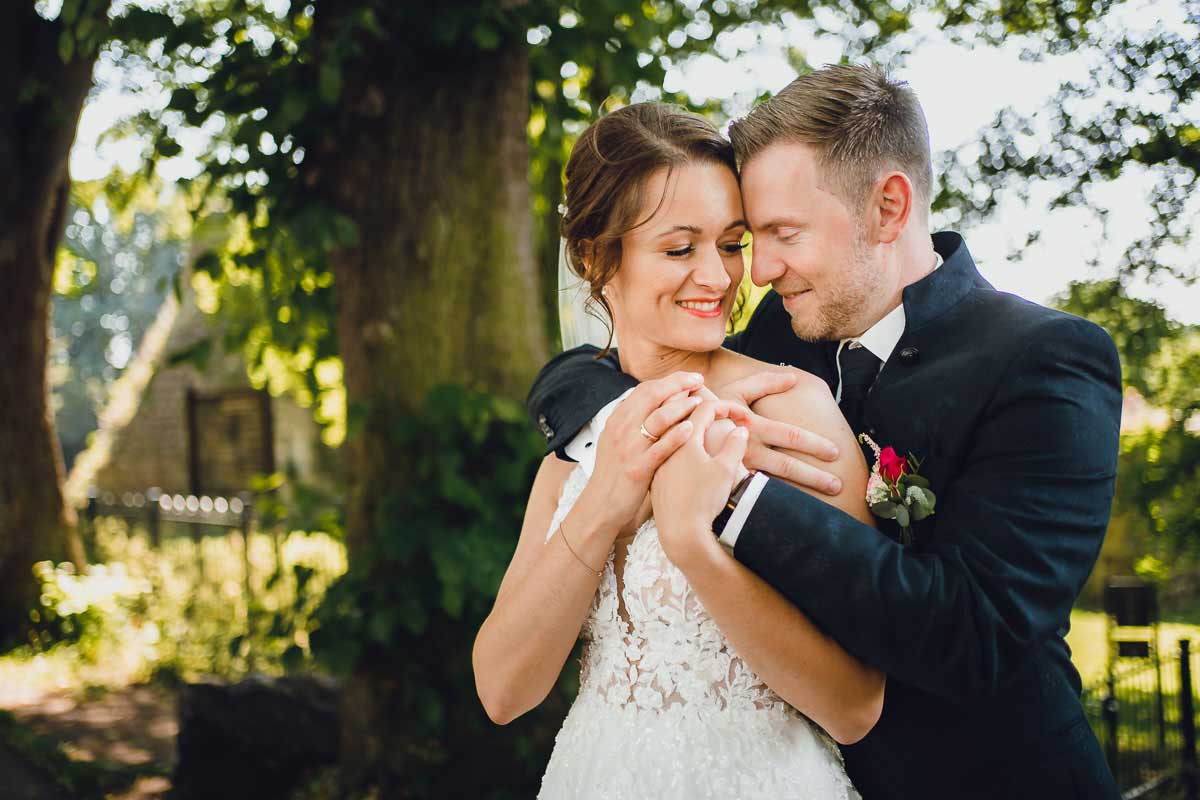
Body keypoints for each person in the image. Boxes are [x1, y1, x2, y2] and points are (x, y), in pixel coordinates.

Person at [526, 64, 1123, 799]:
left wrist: (736, 500)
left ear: (889, 207)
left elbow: (974, 634)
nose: (759, 270)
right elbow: (621, 357)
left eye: (779, 234)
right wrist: (626, 422)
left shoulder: (1044, 359)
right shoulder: (787, 325)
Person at [473, 101, 883, 798]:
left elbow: (854, 706)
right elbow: (504, 692)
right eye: (678, 248)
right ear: (595, 258)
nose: (721, 279)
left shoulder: (787, 412)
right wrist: (605, 498)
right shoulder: (573, 452)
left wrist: (694, 538)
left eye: (730, 243)